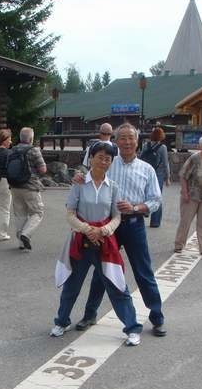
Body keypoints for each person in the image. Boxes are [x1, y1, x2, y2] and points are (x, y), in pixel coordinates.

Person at [75, 123, 167, 337]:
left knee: (143, 272)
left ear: (137, 141)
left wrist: (136, 207)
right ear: (116, 141)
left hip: (134, 225)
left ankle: (157, 317)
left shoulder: (146, 169)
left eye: (130, 138)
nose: (126, 142)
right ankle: (90, 314)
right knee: (101, 272)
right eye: (122, 138)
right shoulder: (107, 164)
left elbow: (155, 200)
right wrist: (79, 179)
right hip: (108, 226)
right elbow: (88, 181)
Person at [51, 142, 143, 346]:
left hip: (104, 243)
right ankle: (62, 321)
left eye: (108, 158)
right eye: (100, 156)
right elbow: (70, 213)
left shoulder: (113, 187)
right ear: (90, 158)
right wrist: (87, 229)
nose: (104, 161)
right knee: (71, 286)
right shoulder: (79, 183)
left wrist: (104, 230)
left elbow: (117, 216)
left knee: (117, 286)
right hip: (80, 242)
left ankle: (132, 328)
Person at [9, 127, 47, 250]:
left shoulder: (12, 150)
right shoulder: (34, 150)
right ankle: (26, 234)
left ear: (20, 138)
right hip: (30, 186)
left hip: (14, 186)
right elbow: (43, 169)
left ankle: (21, 243)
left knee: (20, 214)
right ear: (31, 138)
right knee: (37, 212)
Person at [140, 127, 171, 227]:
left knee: (145, 194)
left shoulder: (146, 145)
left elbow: (141, 159)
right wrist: (168, 177)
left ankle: (145, 211)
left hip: (146, 173)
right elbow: (166, 163)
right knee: (157, 197)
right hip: (158, 174)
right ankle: (155, 222)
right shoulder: (163, 148)